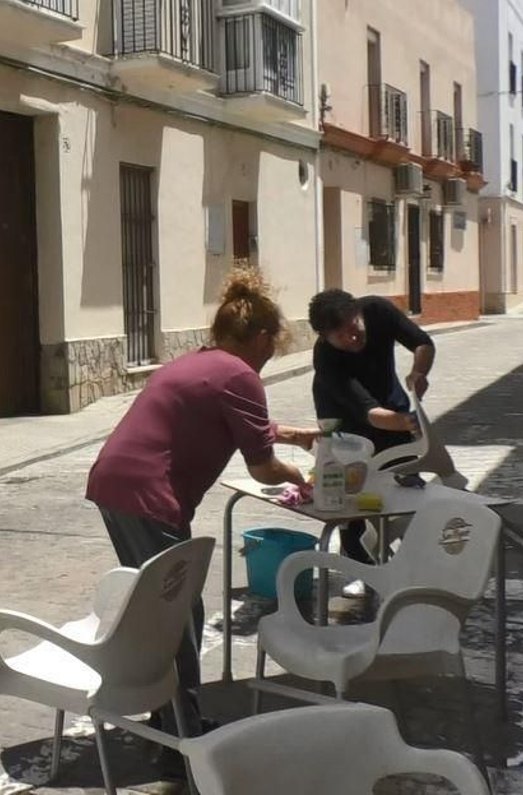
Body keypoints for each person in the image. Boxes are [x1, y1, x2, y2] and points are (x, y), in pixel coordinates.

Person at [85, 268, 319, 754]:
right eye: (272, 342)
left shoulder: (204, 362)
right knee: (178, 609)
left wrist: (292, 435)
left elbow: (231, 418)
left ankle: (164, 716)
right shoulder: (241, 375)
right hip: (150, 494)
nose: (272, 353)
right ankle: (181, 736)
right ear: (259, 336)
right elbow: (261, 469)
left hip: (115, 483)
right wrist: (303, 477)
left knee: (157, 605)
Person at [307, 289, 435, 566]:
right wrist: (411, 422)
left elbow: (423, 343)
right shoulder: (326, 358)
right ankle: (358, 563)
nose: (353, 339)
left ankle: (414, 558)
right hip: (346, 420)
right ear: (325, 338)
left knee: (407, 483)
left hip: (392, 404)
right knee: (353, 492)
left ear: (358, 313)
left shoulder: (377, 309)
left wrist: (419, 372)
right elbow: (368, 413)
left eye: (354, 327)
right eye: (341, 337)